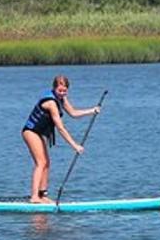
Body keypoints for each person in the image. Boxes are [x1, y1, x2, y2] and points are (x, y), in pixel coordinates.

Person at [21, 75, 101, 203]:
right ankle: (34, 197)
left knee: (47, 163)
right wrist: (75, 146)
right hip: (30, 132)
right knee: (40, 163)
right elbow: (60, 128)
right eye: (60, 91)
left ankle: (43, 195)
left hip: (39, 133)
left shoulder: (62, 98)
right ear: (54, 88)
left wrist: (92, 111)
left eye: (65, 91)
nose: (62, 93)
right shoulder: (51, 103)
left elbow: (73, 113)